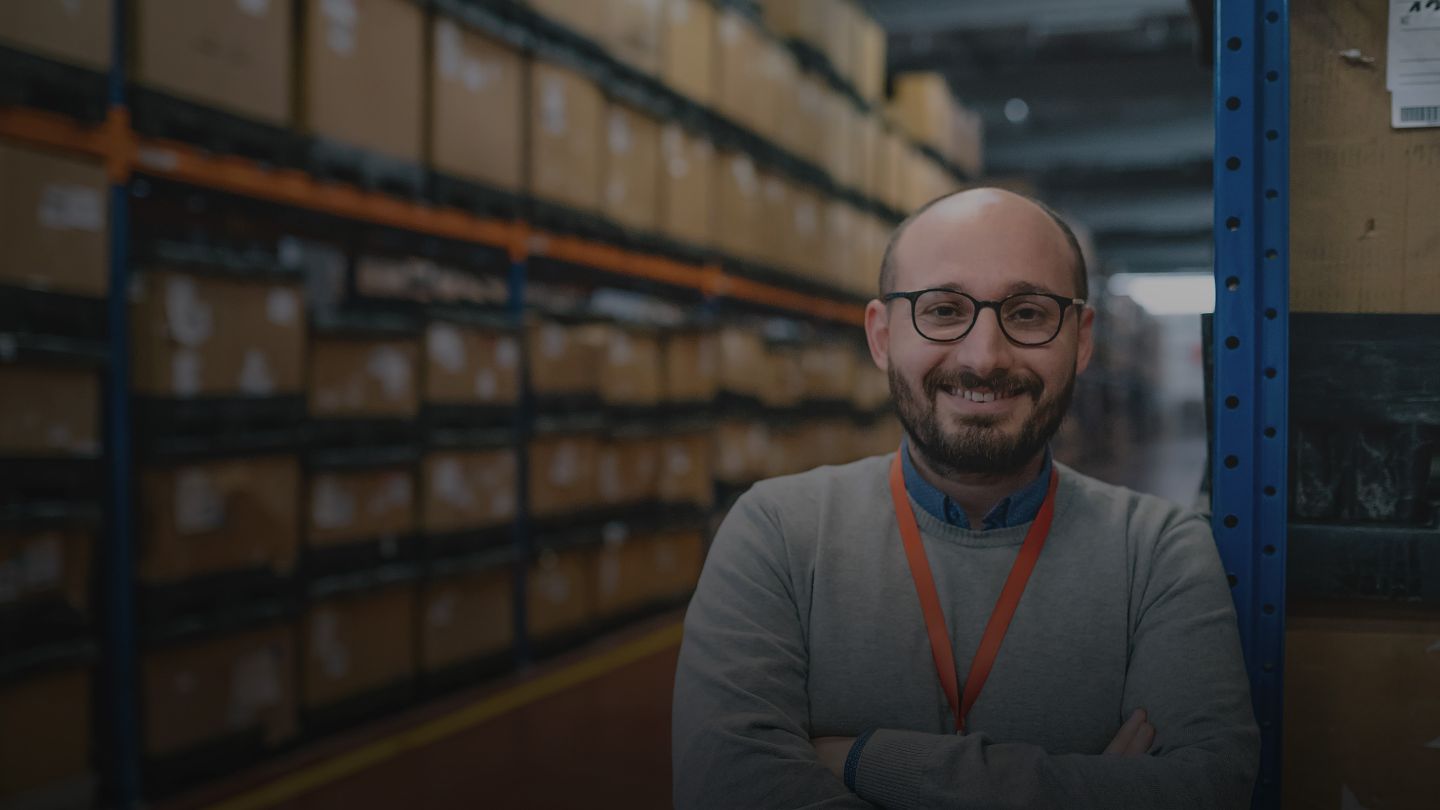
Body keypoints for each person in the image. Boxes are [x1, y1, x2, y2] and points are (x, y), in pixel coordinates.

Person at [671, 188, 1259, 809]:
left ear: (1082, 340)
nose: (984, 358)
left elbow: (1207, 789)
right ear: (881, 335)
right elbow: (726, 790)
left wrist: (867, 761)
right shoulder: (776, 535)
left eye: (1029, 313)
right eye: (944, 310)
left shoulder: (1160, 552)